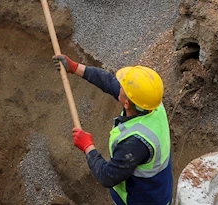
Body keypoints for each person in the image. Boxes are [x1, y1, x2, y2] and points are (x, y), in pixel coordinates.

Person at [53, 54, 172, 205]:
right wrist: (75, 67)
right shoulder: (152, 105)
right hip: (159, 190)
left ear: (127, 103)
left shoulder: (135, 143)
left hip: (142, 200)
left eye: (122, 88)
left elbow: (108, 176)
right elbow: (108, 82)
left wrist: (88, 147)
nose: (119, 86)